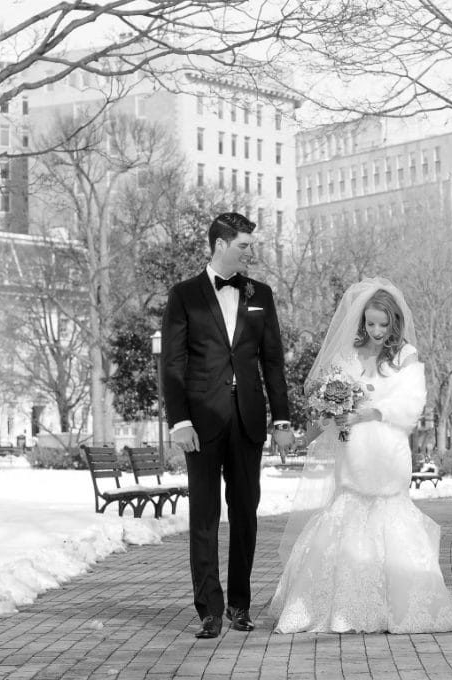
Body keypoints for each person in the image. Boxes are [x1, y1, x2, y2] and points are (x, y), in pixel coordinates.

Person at [269, 278, 452, 634]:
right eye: (370, 323)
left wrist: (369, 412)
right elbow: (329, 403)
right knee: (347, 514)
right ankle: (340, 607)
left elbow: (411, 402)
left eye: (383, 324)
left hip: (387, 446)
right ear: (361, 321)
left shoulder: (405, 355)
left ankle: (399, 607)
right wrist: (317, 426)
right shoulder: (349, 355)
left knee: (392, 517)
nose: (376, 331)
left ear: (394, 322)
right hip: (354, 448)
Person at [162, 212, 294, 640]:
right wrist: (179, 420)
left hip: (248, 419)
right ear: (219, 245)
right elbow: (173, 364)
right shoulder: (184, 296)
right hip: (200, 422)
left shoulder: (261, 295)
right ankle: (209, 610)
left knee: (245, 515)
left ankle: (239, 605)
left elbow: (272, 361)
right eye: (243, 245)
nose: (249, 252)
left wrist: (283, 418)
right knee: (204, 516)